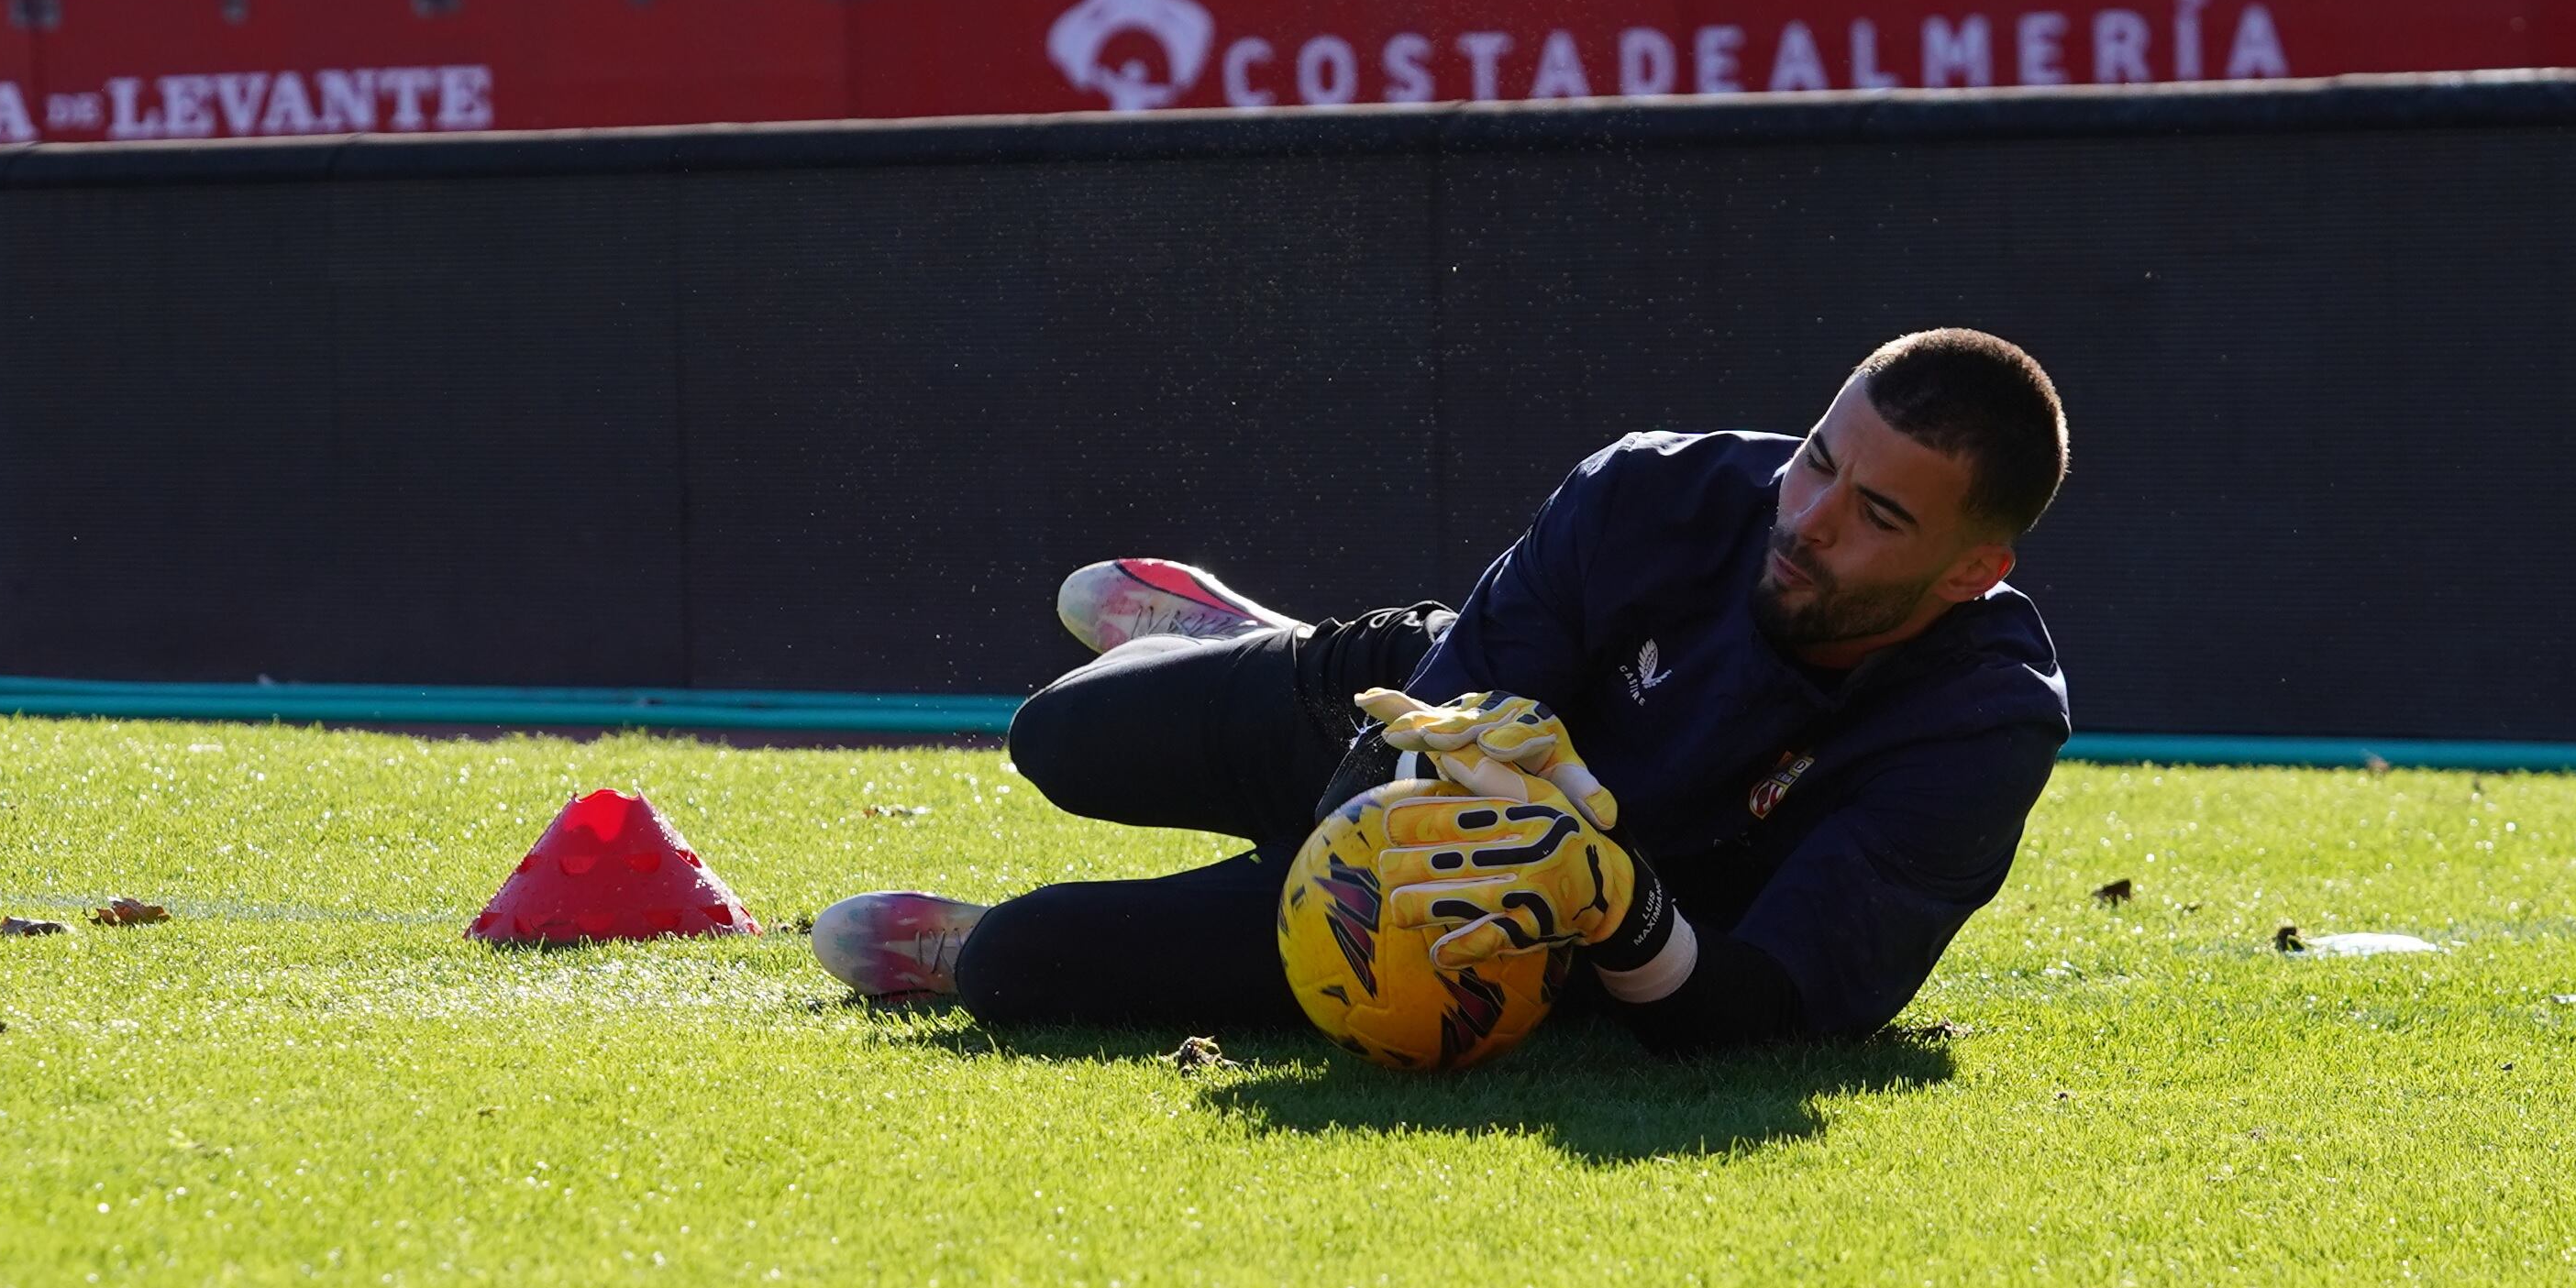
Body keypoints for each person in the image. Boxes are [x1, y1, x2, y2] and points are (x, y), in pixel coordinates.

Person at [813, 327, 2073, 1056]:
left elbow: (1774, 1015)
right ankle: (1254, 641)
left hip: (1560, 931)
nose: (1806, 521)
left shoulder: (1980, 721)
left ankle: (1010, 926)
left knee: (1023, 964)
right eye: (1815, 461)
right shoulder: (1650, 491)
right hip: (1415, 714)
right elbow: (1420, 744)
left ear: (1974, 569)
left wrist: (1612, 905)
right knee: (1060, 737)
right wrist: (1441, 794)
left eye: (1878, 516)